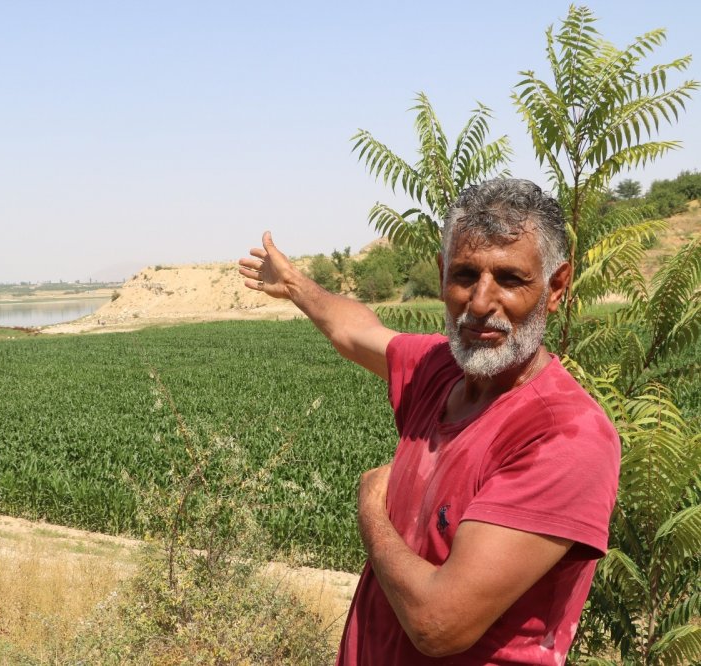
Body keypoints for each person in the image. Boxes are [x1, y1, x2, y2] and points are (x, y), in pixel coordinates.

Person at [238, 179, 619, 664]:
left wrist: (371, 508)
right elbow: (356, 331)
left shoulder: (564, 436)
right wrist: (295, 284)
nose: (480, 303)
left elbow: (437, 624)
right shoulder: (439, 370)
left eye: (510, 279)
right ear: (441, 276)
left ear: (555, 287)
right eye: (465, 275)